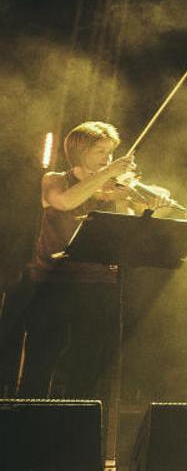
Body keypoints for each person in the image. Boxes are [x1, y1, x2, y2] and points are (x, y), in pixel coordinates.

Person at [17, 121, 175, 400]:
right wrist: (106, 176)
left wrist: (156, 205)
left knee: (89, 366)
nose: (108, 159)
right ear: (79, 152)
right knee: (42, 361)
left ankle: (77, 427)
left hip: (100, 286)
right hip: (53, 284)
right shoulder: (55, 179)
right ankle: (29, 422)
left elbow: (129, 230)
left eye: (111, 153)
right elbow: (65, 203)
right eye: (100, 151)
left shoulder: (114, 186)